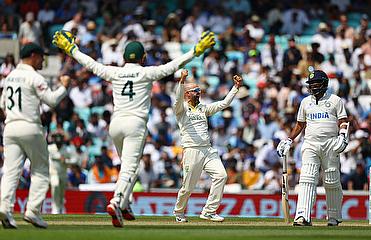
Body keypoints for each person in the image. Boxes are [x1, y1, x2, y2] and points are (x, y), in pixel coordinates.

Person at [52, 30, 215, 227]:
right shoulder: (146, 72)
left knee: (130, 168)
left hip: (116, 125)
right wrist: (195, 51)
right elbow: (173, 66)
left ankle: (126, 205)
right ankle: (116, 201)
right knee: (129, 168)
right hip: (135, 125)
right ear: (143, 57)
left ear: (123, 57)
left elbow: (91, 64)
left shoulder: (115, 72)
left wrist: (72, 49)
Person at [0, 43, 71, 229]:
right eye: (41, 57)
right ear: (33, 56)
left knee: (10, 171)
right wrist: (64, 87)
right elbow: (52, 101)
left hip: (10, 128)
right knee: (40, 170)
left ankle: (4, 208)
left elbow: (2, 106)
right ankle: (32, 211)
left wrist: (15, 117)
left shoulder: (9, 77)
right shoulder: (34, 76)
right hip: (30, 127)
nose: (43, 60)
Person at [277, 69, 349, 226]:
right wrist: (289, 139)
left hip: (331, 143)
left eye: (316, 83)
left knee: (331, 180)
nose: (314, 86)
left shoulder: (335, 100)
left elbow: (343, 120)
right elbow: (300, 124)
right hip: (310, 143)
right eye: (311, 84)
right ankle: (302, 215)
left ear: (324, 84)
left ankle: (334, 217)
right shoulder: (305, 102)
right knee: (307, 178)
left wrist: (343, 135)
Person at [173, 69, 242, 222]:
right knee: (188, 187)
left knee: (221, 176)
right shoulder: (181, 109)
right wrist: (182, 81)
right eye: (195, 91)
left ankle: (209, 211)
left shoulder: (203, 109)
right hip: (192, 150)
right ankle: (178, 212)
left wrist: (235, 88)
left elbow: (223, 104)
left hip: (208, 150)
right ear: (187, 94)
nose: (198, 93)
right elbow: (177, 100)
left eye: (199, 90)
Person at [48, 132, 76, 214]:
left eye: (60, 143)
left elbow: (74, 159)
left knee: (62, 192)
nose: (58, 145)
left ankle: (61, 207)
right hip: (53, 173)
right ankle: (55, 208)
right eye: (57, 143)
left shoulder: (67, 149)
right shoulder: (50, 148)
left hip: (63, 173)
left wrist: (66, 161)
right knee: (55, 185)